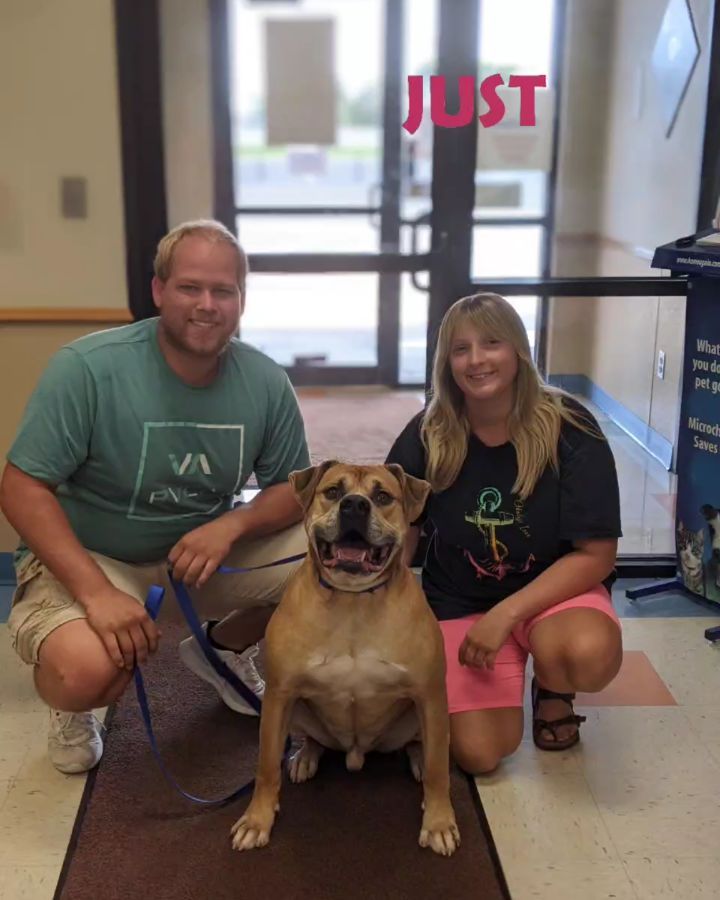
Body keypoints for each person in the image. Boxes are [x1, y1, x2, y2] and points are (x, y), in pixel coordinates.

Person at [0, 219, 309, 775]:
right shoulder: (87, 369)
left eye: (224, 291)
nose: (207, 305)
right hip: (97, 557)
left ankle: (225, 649)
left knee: (335, 558)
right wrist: (95, 593)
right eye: (190, 287)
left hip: (199, 557)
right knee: (87, 672)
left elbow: (293, 489)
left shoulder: (265, 381)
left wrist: (232, 526)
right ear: (159, 291)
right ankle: (72, 707)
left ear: (242, 299)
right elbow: (22, 487)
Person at [386, 293, 623, 774]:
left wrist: (506, 614)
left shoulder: (571, 428)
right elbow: (399, 524)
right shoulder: (428, 433)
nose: (476, 360)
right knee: (478, 754)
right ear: (446, 362)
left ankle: (553, 686)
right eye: (460, 349)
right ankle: (507, 661)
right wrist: (387, 600)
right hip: (458, 598)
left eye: (491, 343)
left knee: (586, 654)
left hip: (551, 597)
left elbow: (596, 556)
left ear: (517, 350)